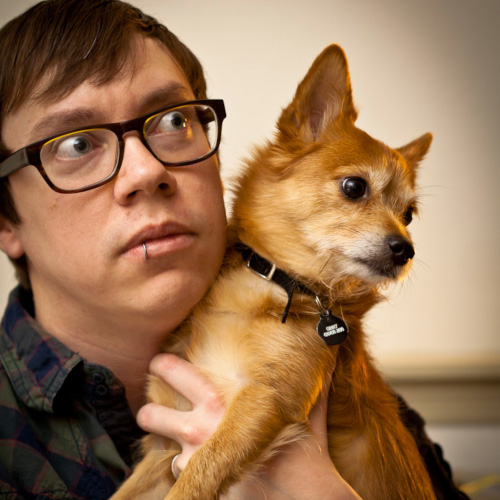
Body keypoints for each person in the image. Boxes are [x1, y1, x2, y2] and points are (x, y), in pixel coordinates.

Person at [0, 1, 469, 499]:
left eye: (174, 121)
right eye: (75, 144)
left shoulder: (354, 381)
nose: (147, 171)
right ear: (6, 220)